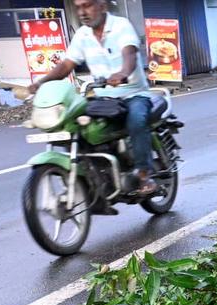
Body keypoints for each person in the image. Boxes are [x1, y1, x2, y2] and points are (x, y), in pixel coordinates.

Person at [29, 0, 156, 195]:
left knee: (137, 121)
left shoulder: (121, 26)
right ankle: (90, 171)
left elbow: (129, 54)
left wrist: (122, 73)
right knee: (74, 123)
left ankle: (144, 174)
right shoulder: (82, 34)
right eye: (78, 7)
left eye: (87, 5)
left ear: (102, 6)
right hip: (102, 97)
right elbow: (66, 65)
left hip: (133, 94)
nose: (82, 12)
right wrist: (40, 82)